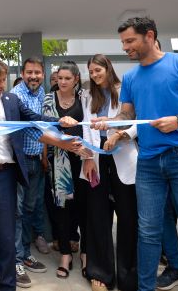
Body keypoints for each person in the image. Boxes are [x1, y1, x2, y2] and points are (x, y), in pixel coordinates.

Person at [92, 17, 178, 291]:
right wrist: (111, 122)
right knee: (147, 232)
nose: (125, 48)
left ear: (149, 36)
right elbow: (127, 113)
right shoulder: (131, 76)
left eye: (130, 41)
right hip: (148, 162)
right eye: (123, 42)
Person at [0, 58, 80, 291]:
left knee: (7, 236)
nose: (2, 85)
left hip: (6, 176)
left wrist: (59, 122)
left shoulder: (11, 100)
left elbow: (34, 119)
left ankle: (8, 285)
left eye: (4, 80)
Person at [80, 54, 138, 291]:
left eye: (98, 70)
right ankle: (100, 273)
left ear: (108, 68)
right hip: (97, 160)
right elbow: (85, 128)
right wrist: (87, 158)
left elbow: (137, 121)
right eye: (91, 71)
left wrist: (120, 135)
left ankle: (128, 276)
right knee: (98, 217)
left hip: (123, 157)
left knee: (128, 218)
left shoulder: (125, 89)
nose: (94, 75)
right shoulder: (87, 95)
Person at [41, 61, 87, 281]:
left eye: (68, 78)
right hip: (59, 161)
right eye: (60, 78)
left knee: (85, 206)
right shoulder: (48, 99)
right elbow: (42, 130)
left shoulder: (85, 98)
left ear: (76, 80)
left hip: (85, 159)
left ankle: (86, 254)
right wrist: (44, 156)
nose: (63, 82)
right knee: (62, 207)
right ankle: (65, 256)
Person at [10, 58, 49, 288]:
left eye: (37, 73)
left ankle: (25, 253)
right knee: (17, 211)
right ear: (22, 74)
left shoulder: (41, 92)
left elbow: (43, 126)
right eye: (30, 73)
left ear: (42, 74)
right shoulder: (17, 95)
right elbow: (35, 128)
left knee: (29, 209)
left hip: (35, 161)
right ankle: (15, 260)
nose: (34, 76)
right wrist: (63, 142)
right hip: (20, 162)